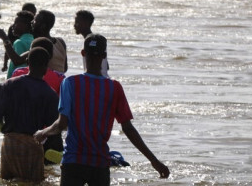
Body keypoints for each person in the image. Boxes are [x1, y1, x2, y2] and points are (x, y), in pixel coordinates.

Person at [34, 34, 171, 183]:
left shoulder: (70, 83)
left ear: (83, 53)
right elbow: (128, 128)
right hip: (99, 163)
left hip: (73, 161)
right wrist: (154, 161)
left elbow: (62, 124)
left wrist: (43, 132)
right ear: (104, 56)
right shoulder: (114, 87)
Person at [0, 47, 60, 183]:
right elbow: (54, 129)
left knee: (6, 182)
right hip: (33, 146)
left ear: (27, 62)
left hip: (9, 145)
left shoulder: (9, 85)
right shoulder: (50, 94)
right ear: (47, 67)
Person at [0, 11, 35, 78]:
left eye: (16, 23)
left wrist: (5, 38)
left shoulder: (19, 42)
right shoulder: (33, 40)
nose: (13, 26)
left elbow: (18, 63)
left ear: (25, 25)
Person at [74, 10, 109, 77]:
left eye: (77, 22)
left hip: (96, 80)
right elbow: (107, 66)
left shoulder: (90, 43)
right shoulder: (98, 41)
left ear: (86, 23)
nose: (74, 25)